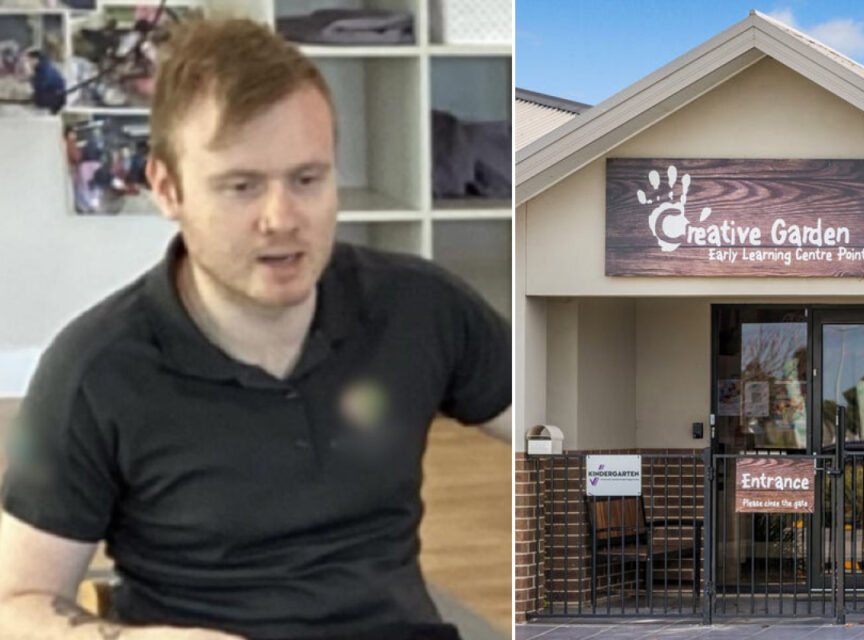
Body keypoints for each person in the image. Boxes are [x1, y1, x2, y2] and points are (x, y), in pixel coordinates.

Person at [0, 17, 510, 640]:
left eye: (307, 179)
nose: (281, 218)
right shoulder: (95, 372)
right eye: (242, 187)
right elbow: (17, 600)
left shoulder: (418, 306)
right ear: (167, 188)